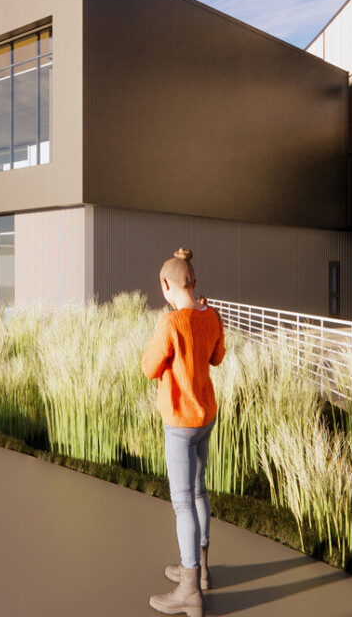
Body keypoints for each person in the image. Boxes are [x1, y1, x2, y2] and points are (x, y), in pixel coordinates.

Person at [142, 248, 226, 617]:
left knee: (181, 502)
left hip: (179, 422)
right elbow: (217, 358)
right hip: (205, 416)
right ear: (193, 282)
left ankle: (190, 589)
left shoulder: (169, 323)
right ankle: (200, 568)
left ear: (166, 285)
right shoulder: (212, 315)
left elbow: (148, 367)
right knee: (199, 491)